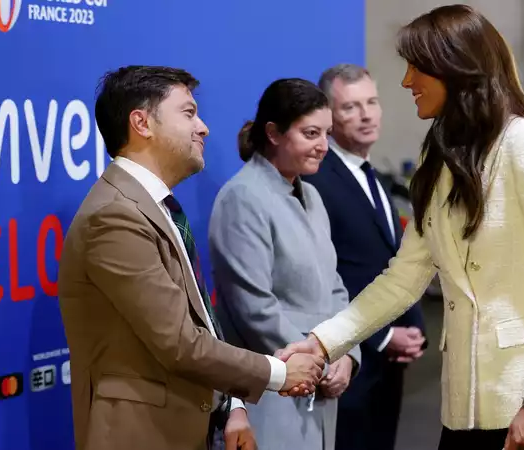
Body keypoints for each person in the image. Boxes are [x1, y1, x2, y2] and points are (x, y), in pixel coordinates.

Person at [275, 5, 524, 450]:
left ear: (455, 69)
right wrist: (322, 342)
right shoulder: (438, 159)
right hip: (464, 401)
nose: (406, 81)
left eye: (416, 67)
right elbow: (403, 279)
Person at [57, 66, 324, 450]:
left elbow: (201, 323)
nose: (204, 127)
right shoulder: (113, 216)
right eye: (188, 112)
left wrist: (232, 404)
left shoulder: (156, 206)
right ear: (142, 123)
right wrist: (278, 372)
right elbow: (179, 342)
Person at [207, 78, 362, 450]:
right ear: (274, 133)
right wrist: (322, 361)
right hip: (272, 396)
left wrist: (348, 354)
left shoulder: (312, 196)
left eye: (326, 133)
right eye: (311, 133)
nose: (323, 146)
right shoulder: (242, 198)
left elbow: (335, 287)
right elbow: (255, 309)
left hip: (317, 392)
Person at [302, 63, 427, 450]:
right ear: (328, 115)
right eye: (351, 107)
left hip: (387, 367)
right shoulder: (316, 179)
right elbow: (327, 273)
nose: (366, 114)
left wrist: (413, 327)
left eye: (372, 102)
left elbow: (388, 259)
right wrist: (384, 336)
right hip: (350, 361)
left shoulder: (373, 175)